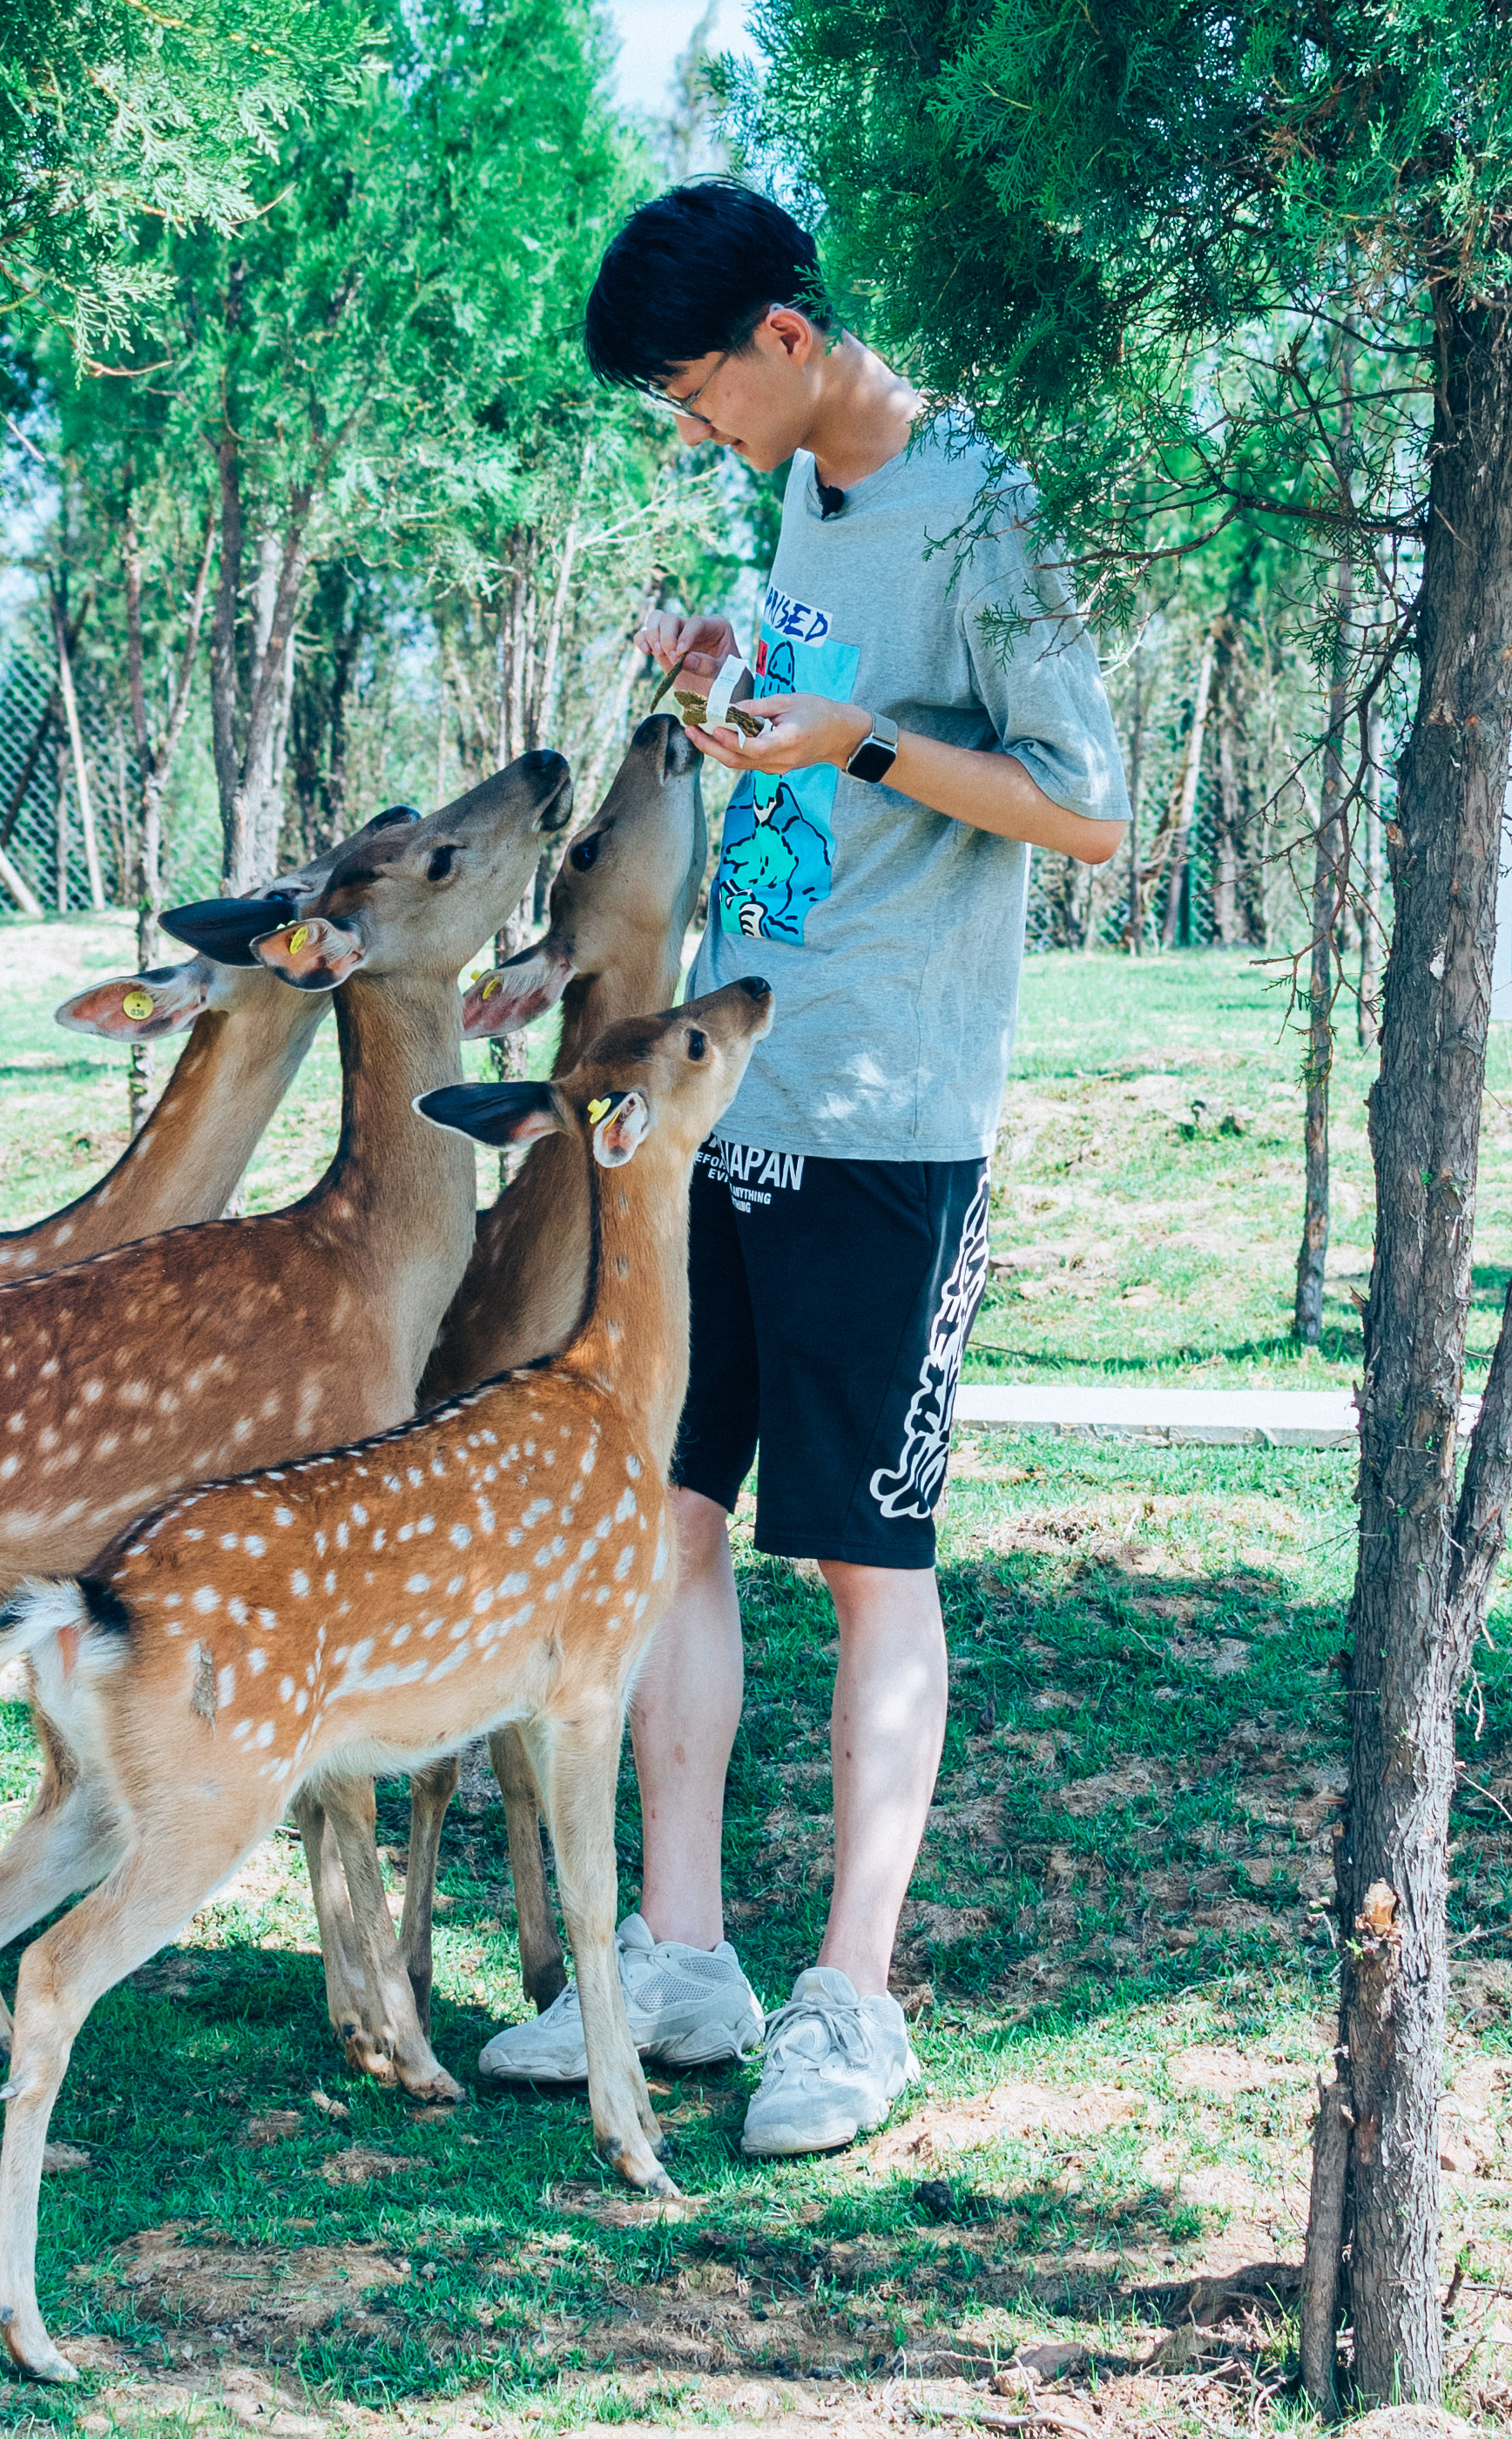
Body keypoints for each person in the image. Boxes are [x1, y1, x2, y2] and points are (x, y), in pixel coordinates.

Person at [475, 179, 1130, 2156]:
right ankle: (682, 1958)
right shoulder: (805, 507)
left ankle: (853, 1996)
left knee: (867, 1556)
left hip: (884, 1118)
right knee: (670, 1517)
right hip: (721, 1105)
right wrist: (721, 691)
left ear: (783, 335)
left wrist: (854, 745)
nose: (691, 430)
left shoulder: (988, 506)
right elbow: (798, 751)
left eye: (692, 389)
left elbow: (1089, 812)